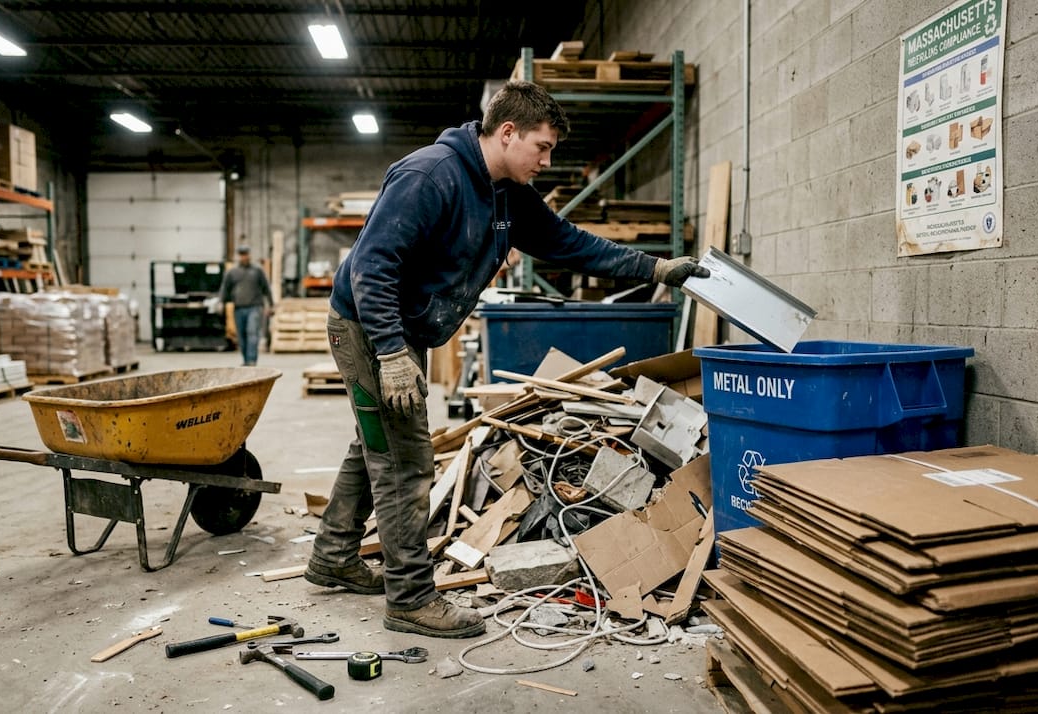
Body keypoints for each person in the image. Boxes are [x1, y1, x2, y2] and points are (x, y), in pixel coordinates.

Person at [306, 80, 709, 639]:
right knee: (405, 462)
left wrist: (654, 268)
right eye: (541, 148)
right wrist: (393, 350)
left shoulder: (506, 192)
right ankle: (410, 598)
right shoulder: (431, 176)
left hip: (402, 329)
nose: (546, 161)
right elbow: (371, 268)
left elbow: (571, 243)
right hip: (369, 328)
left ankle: (332, 556)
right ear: (508, 132)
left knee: (376, 442)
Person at [219, 245, 272, 366]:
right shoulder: (232, 272)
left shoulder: (257, 271)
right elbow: (225, 289)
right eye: (242, 255)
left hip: (255, 307)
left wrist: (271, 304)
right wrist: (221, 303)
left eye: (246, 254)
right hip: (239, 308)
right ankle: (246, 359)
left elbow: (266, 288)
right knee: (241, 335)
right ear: (239, 256)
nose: (244, 257)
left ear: (249, 255)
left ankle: (252, 360)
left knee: (252, 332)